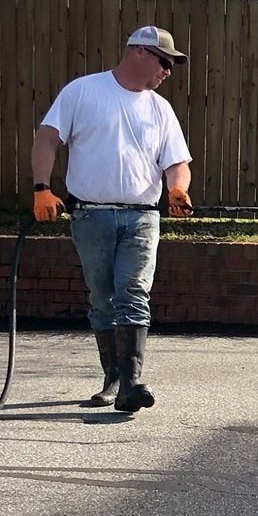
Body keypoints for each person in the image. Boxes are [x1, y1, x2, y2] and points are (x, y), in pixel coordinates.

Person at [30, 26, 195, 413]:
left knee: (133, 293)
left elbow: (177, 161)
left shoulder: (160, 109)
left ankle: (131, 385)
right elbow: (47, 138)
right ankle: (114, 378)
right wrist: (41, 189)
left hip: (142, 218)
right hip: (91, 216)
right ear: (139, 52)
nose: (167, 71)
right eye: (164, 62)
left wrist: (177, 188)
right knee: (103, 299)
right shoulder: (84, 92)